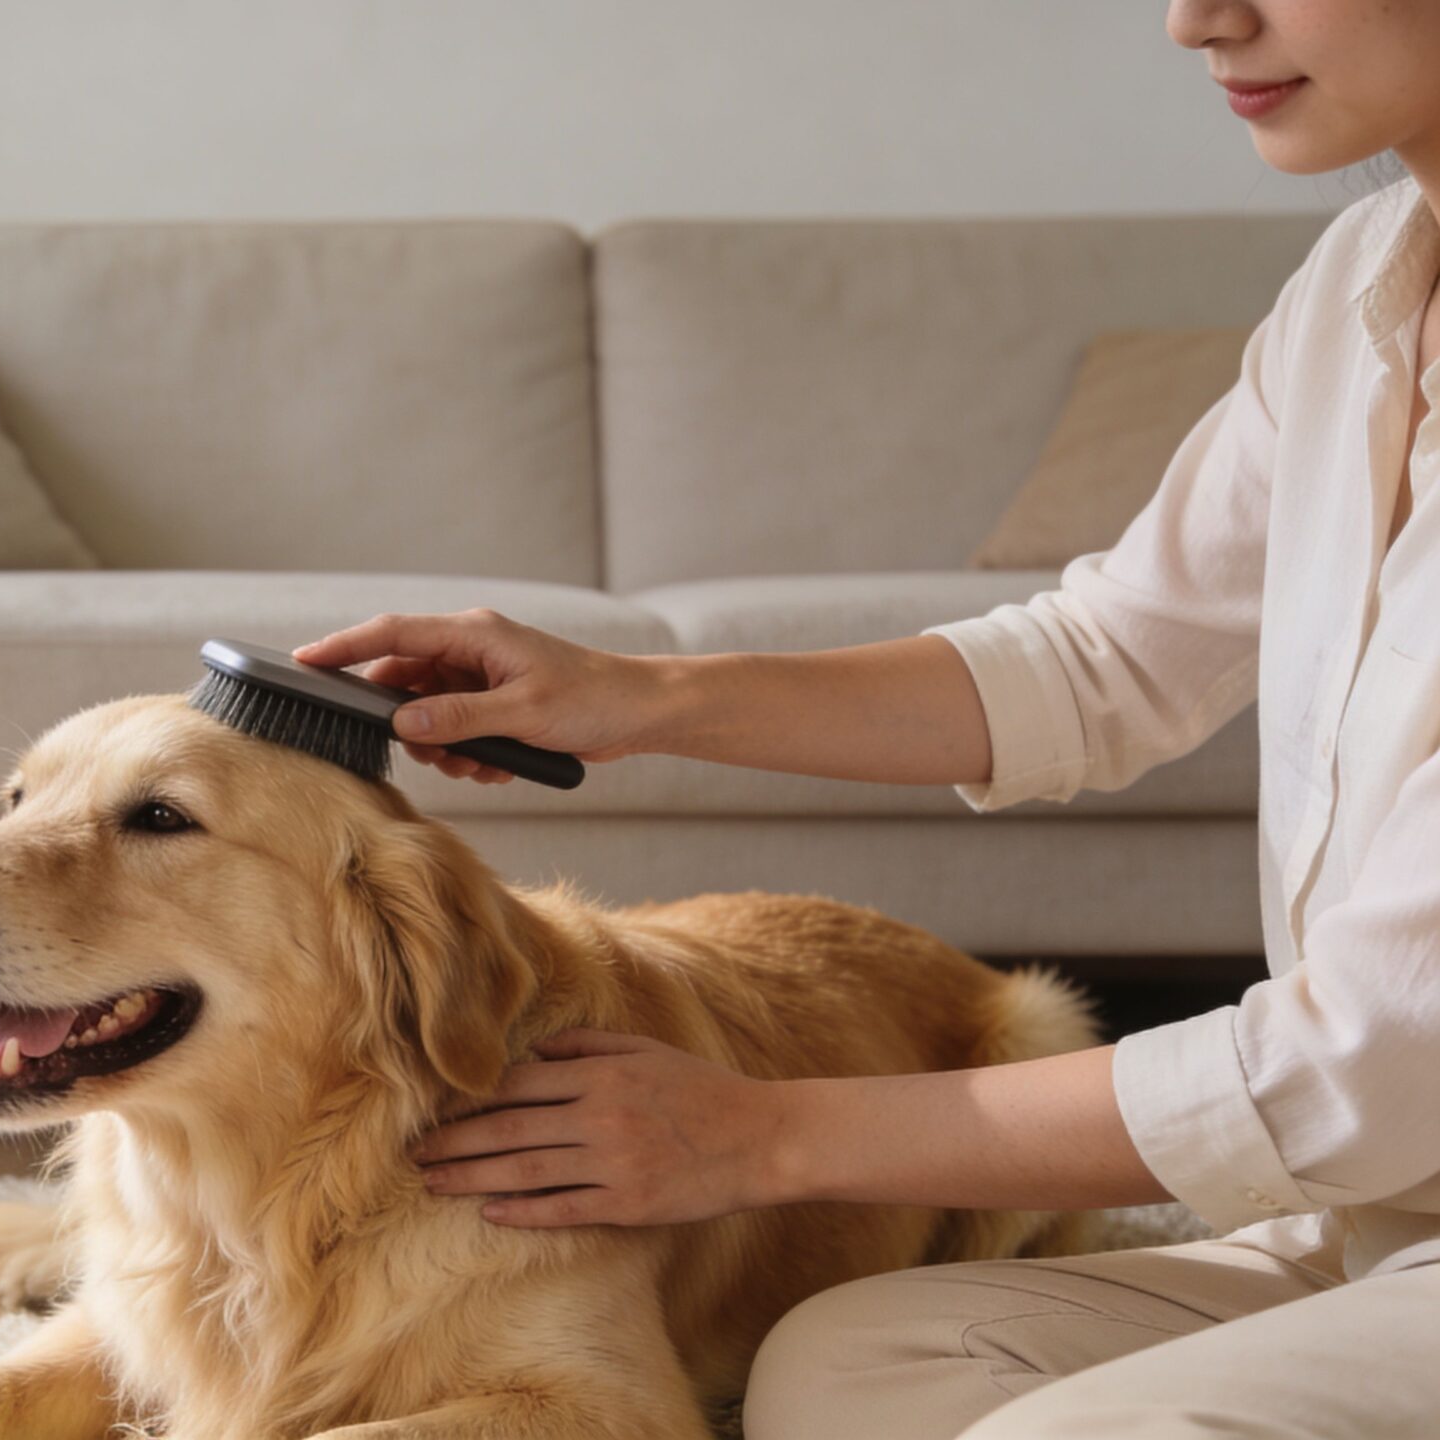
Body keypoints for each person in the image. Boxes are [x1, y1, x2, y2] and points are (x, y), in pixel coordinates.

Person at [295, 3, 1440, 1435]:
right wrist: (632, 695)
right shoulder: (1363, 285)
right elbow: (1104, 659)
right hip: (1382, 1221)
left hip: (1400, 1149)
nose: (1195, 18)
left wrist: (758, 1136)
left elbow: (1368, 1066)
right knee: (849, 1367)